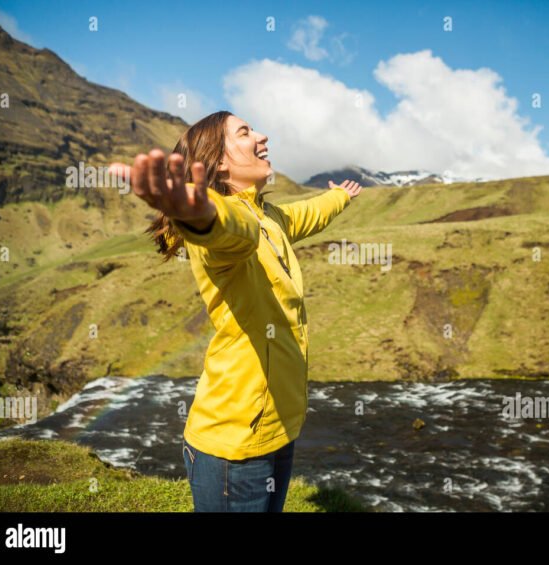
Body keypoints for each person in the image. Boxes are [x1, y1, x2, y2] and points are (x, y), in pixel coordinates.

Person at [109, 111, 361, 511]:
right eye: (245, 132)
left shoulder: (268, 216)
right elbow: (227, 227)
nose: (262, 136)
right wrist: (197, 213)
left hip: (276, 430)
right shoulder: (233, 222)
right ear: (220, 163)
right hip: (235, 445)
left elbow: (309, 213)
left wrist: (340, 196)